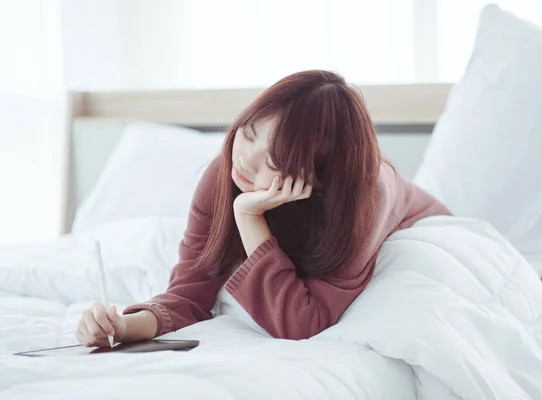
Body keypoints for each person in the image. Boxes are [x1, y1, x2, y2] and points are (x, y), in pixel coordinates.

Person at [75, 70, 451, 347]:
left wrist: (249, 216)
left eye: (273, 161)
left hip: (428, 227)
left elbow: (303, 324)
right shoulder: (227, 171)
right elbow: (191, 291)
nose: (246, 161)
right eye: (249, 132)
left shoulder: (362, 202)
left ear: (317, 175)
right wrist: (123, 327)